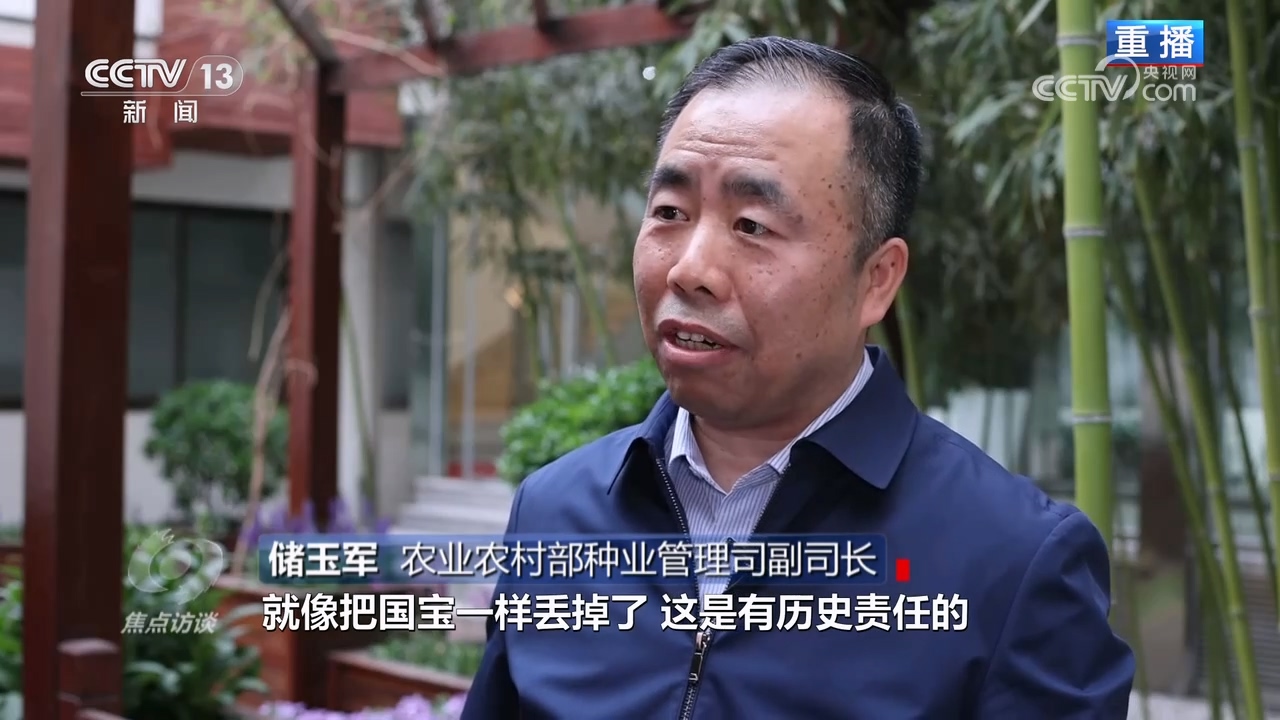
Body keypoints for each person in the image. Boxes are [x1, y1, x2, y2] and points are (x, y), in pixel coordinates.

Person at [461, 36, 1134, 719]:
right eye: (670, 213)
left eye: (752, 225)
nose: (690, 269)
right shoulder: (552, 513)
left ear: (877, 279)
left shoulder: (1014, 563)